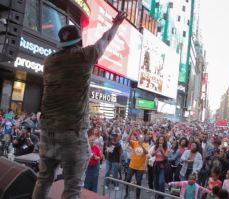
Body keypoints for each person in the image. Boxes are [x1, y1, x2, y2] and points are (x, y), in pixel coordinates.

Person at [32, 11, 127, 199]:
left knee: (44, 178)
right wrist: (116, 24)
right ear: (78, 42)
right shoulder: (85, 56)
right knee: (73, 186)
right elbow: (105, 39)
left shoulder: (49, 61)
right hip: (72, 132)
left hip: (47, 130)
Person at [124, 131, 148, 199]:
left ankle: (137, 197)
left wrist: (142, 145)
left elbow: (146, 152)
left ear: (143, 139)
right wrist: (131, 132)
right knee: (128, 179)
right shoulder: (135, 143)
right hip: (132, 165)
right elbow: (128, 140)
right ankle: (126, 193)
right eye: (139, 138)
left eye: (142, 138)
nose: (140, 139)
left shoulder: (146, 144)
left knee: (138, 182)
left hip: (140, 167)